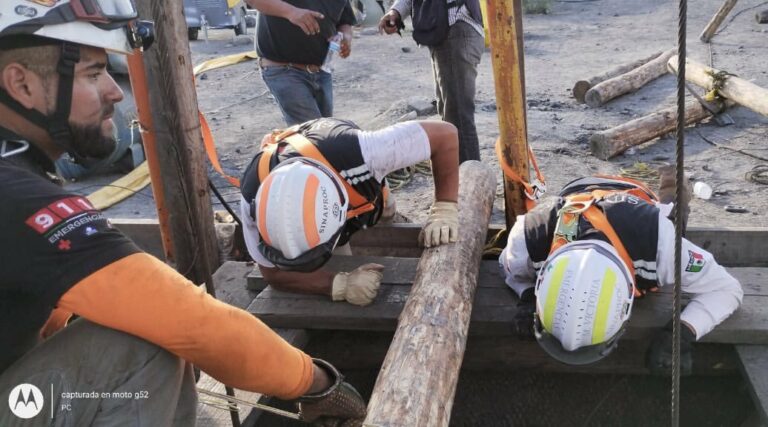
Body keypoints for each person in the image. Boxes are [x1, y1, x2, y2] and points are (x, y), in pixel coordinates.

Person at [0, 2, 365, 425]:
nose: (115, 92)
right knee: (142, 343)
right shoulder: (16, 194)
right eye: (93, 74)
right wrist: (315, 382)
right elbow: (188, 319)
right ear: (21, 84)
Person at [498, 175, 743, 374]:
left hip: (635, 198)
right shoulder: (528, 237)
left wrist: (682, 333)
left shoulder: (661, 244)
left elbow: (727, 289)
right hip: (579, 188)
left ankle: (674, 181)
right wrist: (528, 296)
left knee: (674, 217)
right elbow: (509, 268)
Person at [240, 117, 459, 305]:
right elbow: (272, 273)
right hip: (334, 177)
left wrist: (445, 207)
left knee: (386, 212)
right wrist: (337, 284)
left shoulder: (367, 152)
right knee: (342, 264)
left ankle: (387, 214)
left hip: (349, 172)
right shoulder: (252, 199)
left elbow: (445, 135)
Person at [378, 0, 484, 163]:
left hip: (455, 28)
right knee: (449, 113)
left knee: (457, 115)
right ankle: (459, 172)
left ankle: (469, 175)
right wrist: (396, 12)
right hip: (444, 35)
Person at [246, 0, 356, 126]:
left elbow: (344, 21)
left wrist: (345, 37)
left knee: (325, 130)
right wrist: (291, 12)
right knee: (314, 132)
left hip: (322, 71)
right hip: (284, 69)